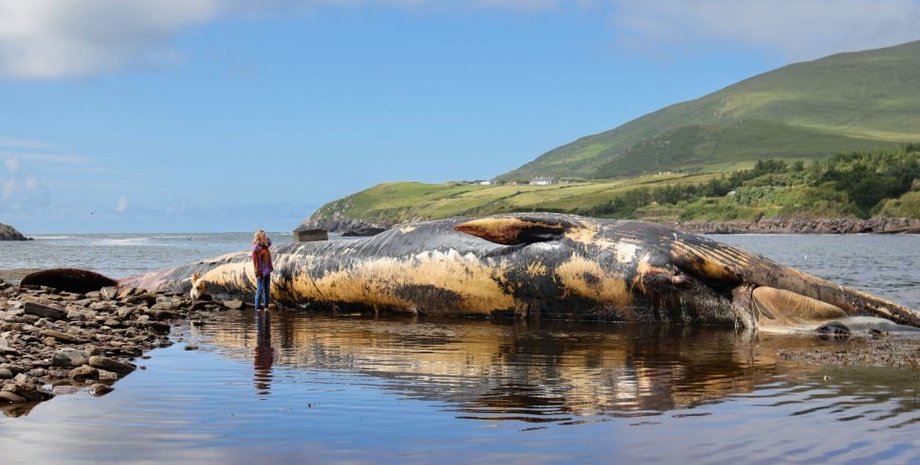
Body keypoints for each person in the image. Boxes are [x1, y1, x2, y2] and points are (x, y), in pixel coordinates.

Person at [251, 229, 273, 311]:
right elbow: (255, 262)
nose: (265, 237)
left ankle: (266, 307)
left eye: (265, 235)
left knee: (267, 289)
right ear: (259, 237)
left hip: (267, 270)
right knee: (260, 290)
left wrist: (266, 239)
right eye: (263, 235)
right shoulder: (256, 248)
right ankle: (257, 308)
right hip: (260, 271)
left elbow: (270, 242)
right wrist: (257, 272)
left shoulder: (264, 246)